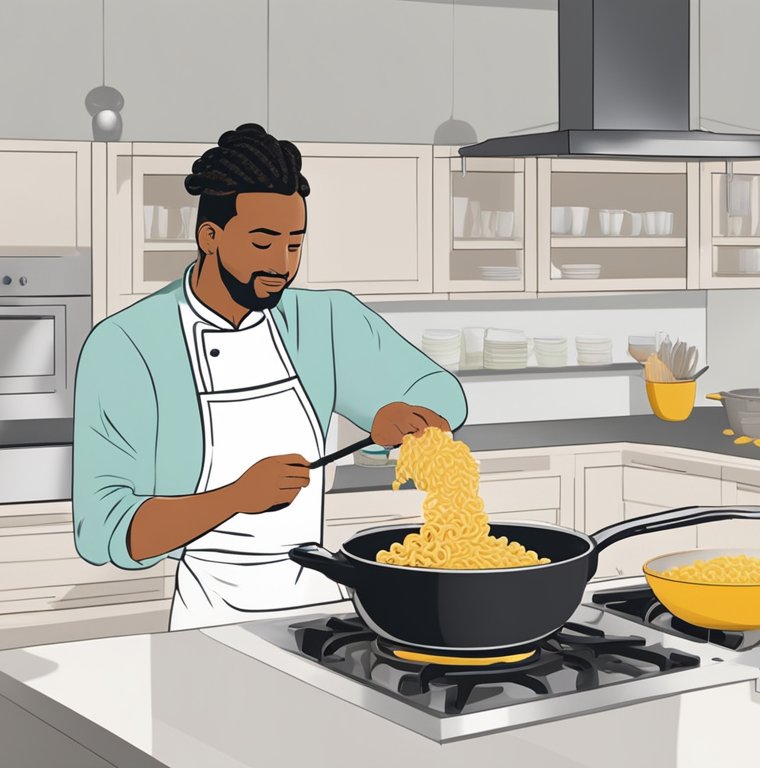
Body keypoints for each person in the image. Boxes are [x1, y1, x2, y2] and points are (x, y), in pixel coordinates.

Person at [72, 123, 467, 631]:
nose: (282, 265)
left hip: (320, 602)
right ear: (209, 237)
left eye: (294, 245)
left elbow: (441, 392)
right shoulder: (127, 344)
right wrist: (235, 497)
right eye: (262, 244)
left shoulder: (325, 320)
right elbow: (107, 530)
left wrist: (399, 414)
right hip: (210, 610)